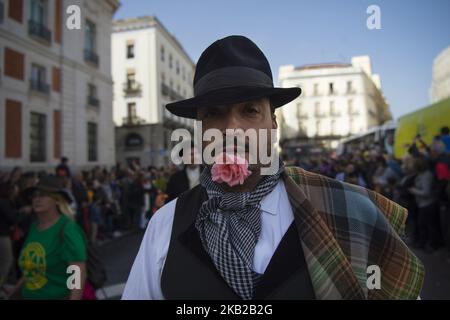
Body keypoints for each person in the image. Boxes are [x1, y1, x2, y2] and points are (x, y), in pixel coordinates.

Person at [122, 35, 424, 300]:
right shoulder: (164, 226)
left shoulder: (351, 210)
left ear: (274, 122)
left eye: (250, 110)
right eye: (213, 114)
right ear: (200, 130)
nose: (232, 129)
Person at [9, 175, 87, 299]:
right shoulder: (34, 228)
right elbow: (31, 270)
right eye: (34, 196)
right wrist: (13, 293)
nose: (37, 199)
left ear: (57, 200)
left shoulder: (67, 229)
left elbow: (77, 271)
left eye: (43, 195)